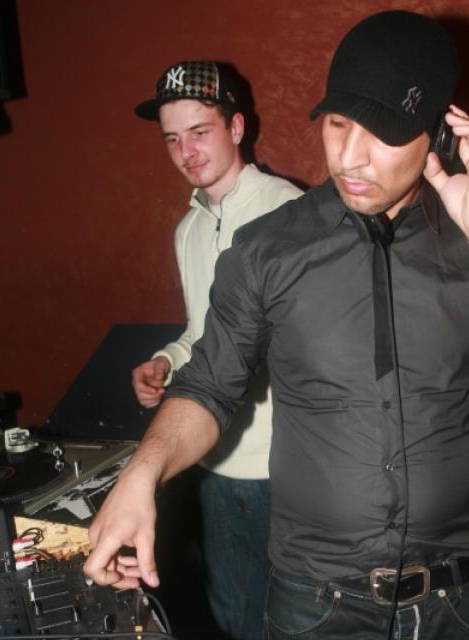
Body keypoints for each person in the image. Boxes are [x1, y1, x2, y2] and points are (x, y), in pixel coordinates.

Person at [85, 12, 469, 639]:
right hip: (318, 606)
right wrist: (140, 474)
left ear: (437, 136)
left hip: (457, 604)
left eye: (382, 133)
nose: (350, 157)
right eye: (338, 124)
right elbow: (209, 386)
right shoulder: (266, 249)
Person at [130, 60, 302, 639]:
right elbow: (202, 332)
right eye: (172, 139)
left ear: (236, 127)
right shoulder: (190, 230)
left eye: (199, 132)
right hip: (212, 466)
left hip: (287, 470)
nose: (186, 152)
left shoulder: (288, 211)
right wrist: (167, 360)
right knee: (234, 623)